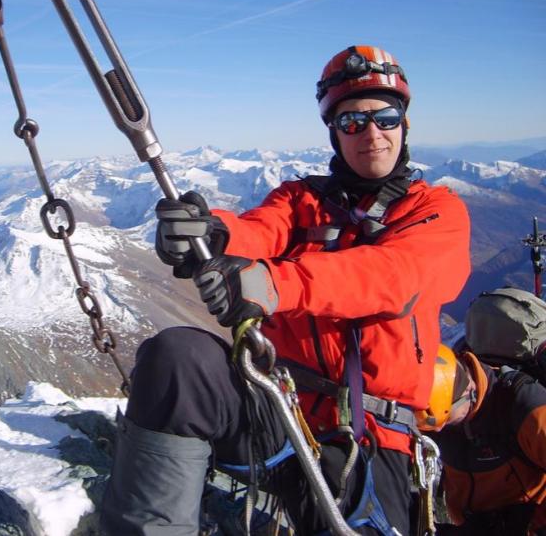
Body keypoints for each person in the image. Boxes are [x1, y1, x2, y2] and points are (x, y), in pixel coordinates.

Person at [100, 45, 472, 535]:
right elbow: (259, 231)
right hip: (279, 412)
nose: (372, 134)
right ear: (335, 132)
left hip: (374, 441)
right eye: (352, 122)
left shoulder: (438, 212)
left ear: (404, 124)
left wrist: (272, 284)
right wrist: (210, 234)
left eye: (385, 118)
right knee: (179, 358)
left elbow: (394, 276)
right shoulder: (300, 200)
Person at [422, 348, 546, 535]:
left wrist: (534, 526)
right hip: (472, 525)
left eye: (448, 419)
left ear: (469, 390)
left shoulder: (522, 406)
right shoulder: (431, 411)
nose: (439, 430)